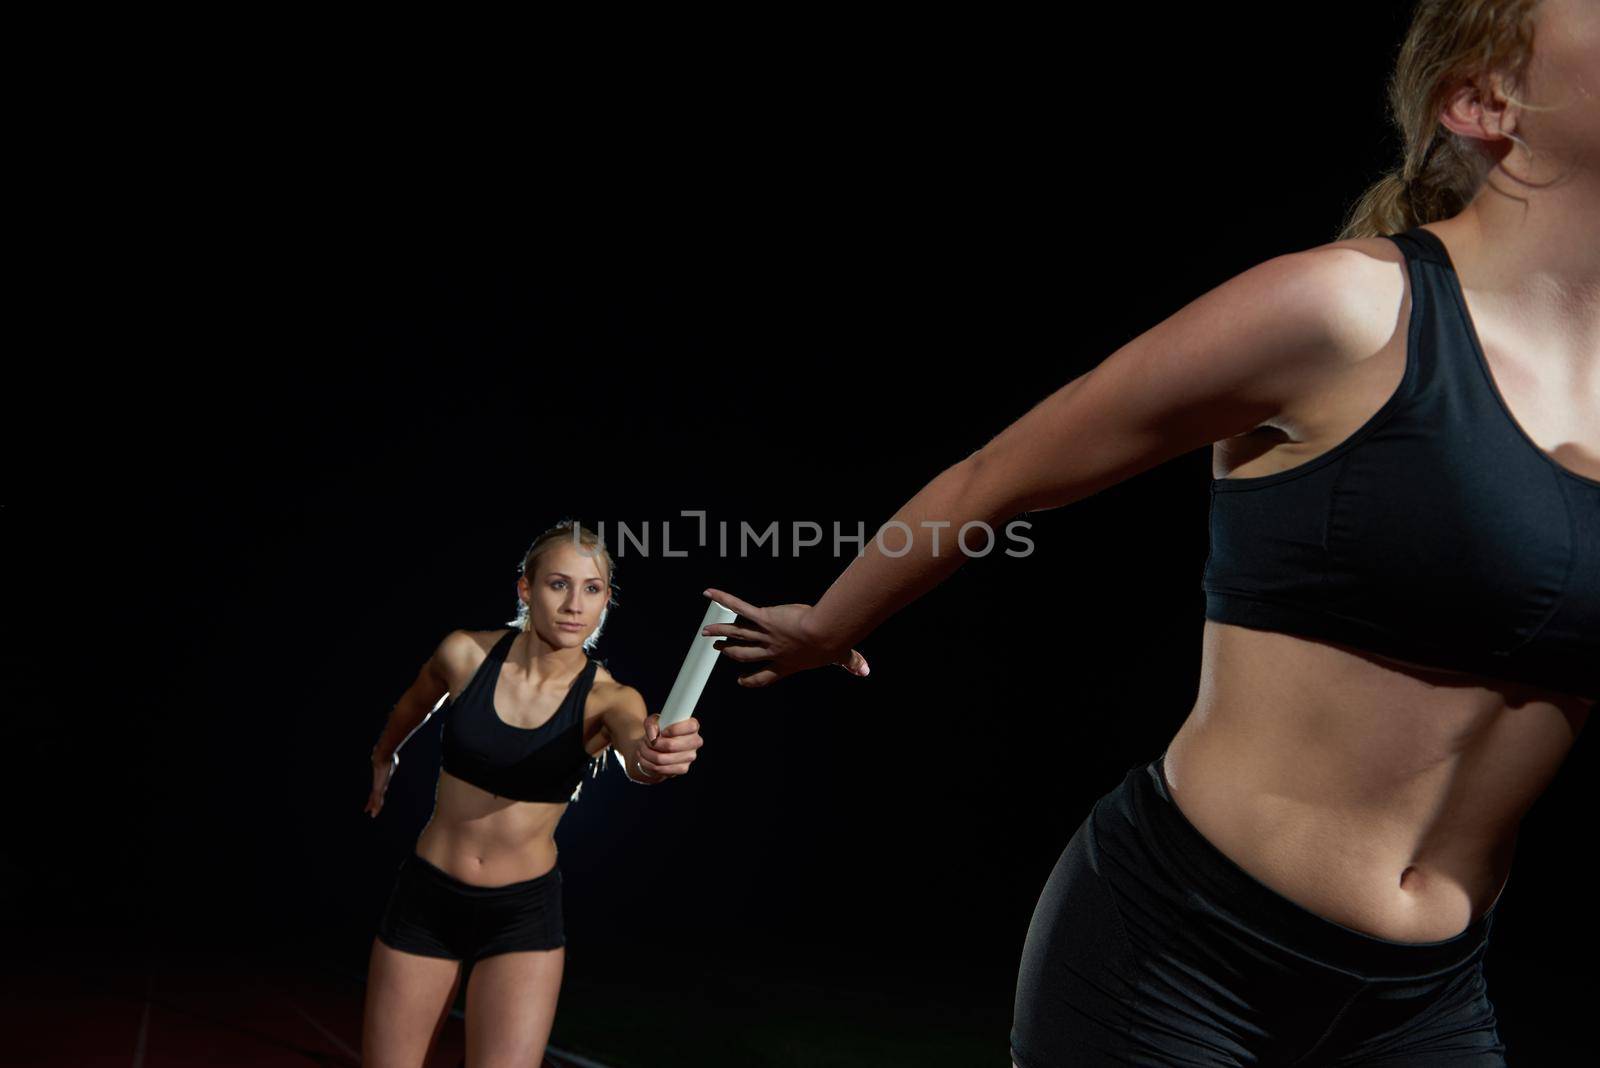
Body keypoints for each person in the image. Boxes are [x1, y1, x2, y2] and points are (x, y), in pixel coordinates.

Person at [702, 0, 1598, 1062]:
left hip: (1426, 1001)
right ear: (1484, 100)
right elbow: (1000, 476)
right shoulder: (1347, 312)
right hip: (1179, 958)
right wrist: (827, 622)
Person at [360, 520, 704, 1067]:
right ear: (526, 588)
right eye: (557, 584)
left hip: (521, 918)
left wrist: (658, 757)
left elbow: (639, 752)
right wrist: (385, 754)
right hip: (427, 903)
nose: (574, 604)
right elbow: (412, 705)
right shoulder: (464, 654)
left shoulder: (609, 699)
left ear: (606, 602)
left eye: (592, 589)